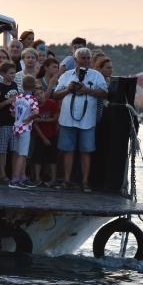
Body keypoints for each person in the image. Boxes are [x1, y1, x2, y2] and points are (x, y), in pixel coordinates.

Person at [53, 47, 108, 192]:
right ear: (75, 60)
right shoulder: (66, 76)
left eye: (88, 58)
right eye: (83, 58)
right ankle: (66, 181)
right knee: (67, 150)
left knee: (86, 151)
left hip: (87, 121)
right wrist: (68, 89)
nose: (86, 60)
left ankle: (85, 182)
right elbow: (56, 95)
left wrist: (87, 91)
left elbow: (104, 93)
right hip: (67, 119)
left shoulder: (96, 75)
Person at [9, 75, 40, 189]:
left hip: (16, 126)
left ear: (22, 85)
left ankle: (22, 177)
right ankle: (15, 179)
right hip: (25, 128)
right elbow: (36, 112)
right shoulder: (32, 99)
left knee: (17, 153)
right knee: (22, 154)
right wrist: (29, 118)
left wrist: (19, 118)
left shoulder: (17, 97)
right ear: (34, 87)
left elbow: (12, 112)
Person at [0, 62, 19, 183]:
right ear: (3, 74)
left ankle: (14, 173)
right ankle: (1, 173)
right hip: (2, 122)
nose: (13, 75)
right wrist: (7, 102)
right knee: (2, 149)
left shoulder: (14, 85)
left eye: (14, 73)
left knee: (14, 149)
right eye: (11, 73)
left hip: (14, 122)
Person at [30, 84, 59, 187]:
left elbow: (55, 118)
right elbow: (35, 124)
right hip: (39, 135)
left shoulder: (51, 103)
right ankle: (37, 178)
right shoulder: (34, 107)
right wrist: (43, 138)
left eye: (41, 93)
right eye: (37, 95)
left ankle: (53, 179)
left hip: (52, 134)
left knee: (52, 157)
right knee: (37, 156)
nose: (40, 96)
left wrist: (42, 119)